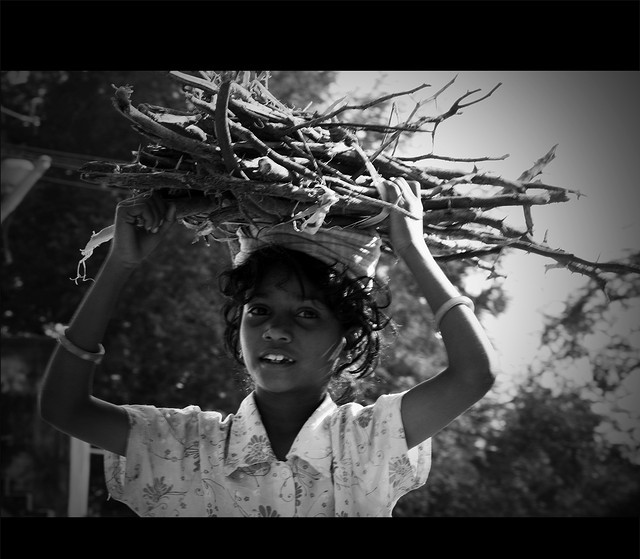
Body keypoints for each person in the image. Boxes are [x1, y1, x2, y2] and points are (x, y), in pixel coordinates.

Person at [39, 177, 498, 517]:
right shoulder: (187, 448)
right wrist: (120, 263)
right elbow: (64, 409)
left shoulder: (365, 443)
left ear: (348, 338)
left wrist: (414, 249)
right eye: (259, 310)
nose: (276, 330)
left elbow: (473, 375)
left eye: (307, 314)